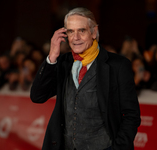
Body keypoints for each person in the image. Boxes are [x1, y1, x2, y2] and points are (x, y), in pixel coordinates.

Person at [30, 7, 141, 150]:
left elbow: (132, 115)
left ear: (94, 32)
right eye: (70, 31)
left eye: (81, 31)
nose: (75, 38)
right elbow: (37, 96)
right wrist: (51, 57)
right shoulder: (63, 63)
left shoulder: (118, 66)